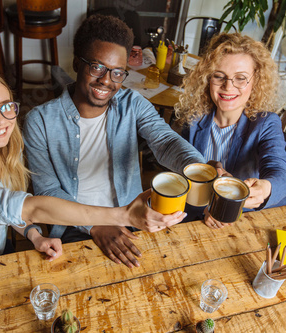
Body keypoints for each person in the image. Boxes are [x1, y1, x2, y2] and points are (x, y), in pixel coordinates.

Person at [0, 67, 186, 270]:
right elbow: (30, 207)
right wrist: (124, 216)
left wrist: (34, 235)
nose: (0, 119)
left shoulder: (8, 154)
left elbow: (12, 212)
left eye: (5, 107)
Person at [23, 14, 205, 268]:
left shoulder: (133, 104)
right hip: (74, 227)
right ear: (77, 63)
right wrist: (97, 224)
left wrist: (200, 169)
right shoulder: (39, 121)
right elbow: (47, 191)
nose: (107, 80)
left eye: (118, 72)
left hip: (134, 216)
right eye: (97, 67)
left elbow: (165, 141)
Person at [175, 33, 286, 229]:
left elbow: (280, 172)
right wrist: (207, 206)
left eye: (241, 78)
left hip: (249, 220)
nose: (228, 87)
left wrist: (265, 189)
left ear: (256, 81)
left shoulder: (266, 123)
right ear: (207, 78)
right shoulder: (193, 118)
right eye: (219, 76)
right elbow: (182, 172)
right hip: (202, 217)